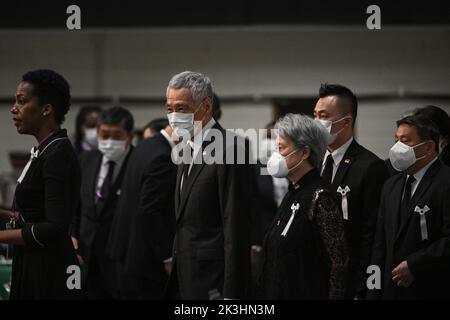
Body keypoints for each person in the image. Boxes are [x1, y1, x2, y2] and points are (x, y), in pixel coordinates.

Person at [164, 71, 253, 299]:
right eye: (169, 109)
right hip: (185, 274)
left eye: (181, 108)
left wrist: (232, 293)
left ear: (205, 106)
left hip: (214, 281)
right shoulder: (185, 149)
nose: (173, 117)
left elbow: (236, 227)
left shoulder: (231, 149)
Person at [0, 69, 81, 299]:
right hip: (34, 260)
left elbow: (53, 228)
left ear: (46, 109)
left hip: (48, 270)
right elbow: (32, 216)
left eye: (22, 102)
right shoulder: (44, 150)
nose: (13, 108)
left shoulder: (58, 154)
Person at [314, 83, 389, 299]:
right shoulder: (313, 162)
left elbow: (371, 235)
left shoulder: (370, 166)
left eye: (323, 116)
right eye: (315, 115)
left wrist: (362, 286)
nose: (316, 122)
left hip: (350, 279)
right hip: (315, 277)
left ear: (346, 121)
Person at [261, 113, 348, 299]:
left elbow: (337, 264)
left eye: (281, 148)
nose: (275, 155)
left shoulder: (321, 197)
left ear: (304, 152)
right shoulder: (292, 193)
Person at [368, 115, 450, 299]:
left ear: (429, 147)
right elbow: (379, 245)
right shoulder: (391, 185)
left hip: (431, 288)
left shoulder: (445, 182)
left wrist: (414, 264)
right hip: (391, 292)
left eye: (405, 141)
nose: (397, 148)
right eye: (396, 140)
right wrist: (372, 290)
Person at [108, 123, 177, 299]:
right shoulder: (164, 155)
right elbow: (150, 211)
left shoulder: (145, 145)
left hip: (124, 251)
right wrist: (167, 256)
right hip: (145, 260)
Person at [74, 107, 134, 299]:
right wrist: (72, 236)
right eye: (104, 134)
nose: (109, 141)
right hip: (85, 259)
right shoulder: (86, 160)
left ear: (130, 135)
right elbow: (76, 206)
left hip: (121, 262)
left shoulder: (140, 162)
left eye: (116, 135)